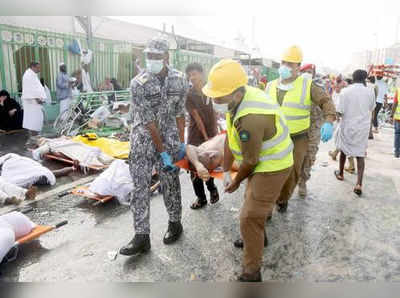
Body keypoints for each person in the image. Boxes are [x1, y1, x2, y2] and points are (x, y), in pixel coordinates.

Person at [203, 59, 294, 282]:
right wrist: (226, 170)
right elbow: (230, 139)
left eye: (218, 97)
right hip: (262, 161)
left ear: (235, 94)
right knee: (251, 202)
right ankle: (257, 237)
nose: (214, 101)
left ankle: (252, 273)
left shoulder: (250, 117)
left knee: (249, 216)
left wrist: (234, 181)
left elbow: (251, 160)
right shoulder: (237, 100)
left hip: (273, 165)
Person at [119, 35, 188, 256]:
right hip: (143, 139)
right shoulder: (138, 83)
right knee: (140, 185)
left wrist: (181, 145)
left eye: (156, 56)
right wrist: (162, 152)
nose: (151, 59)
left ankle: (175, 223)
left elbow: (180, 113)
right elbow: (148, 121)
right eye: (148, 55)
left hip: (169, 137)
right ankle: (141, 236)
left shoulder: (180, 79)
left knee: (170, 181)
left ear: (166, 56)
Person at [265, 46, 336, 212]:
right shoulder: (269, 86)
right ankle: (267, 205)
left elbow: (326, 102)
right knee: (269, 172)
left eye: (290, 64)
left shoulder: (307, 85)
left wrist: (329, 121)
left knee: (293, 172)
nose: (285, 66)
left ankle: (283, 199)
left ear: (298, 66)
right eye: (283, 62)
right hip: (273, 138)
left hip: (298, 138)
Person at [334, 70, 376, 196]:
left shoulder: (345, 91)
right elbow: (371, 109)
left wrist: (337, 120)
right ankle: (359, 184)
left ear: (353, 78)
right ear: (365, 78)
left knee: (343, 150)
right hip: (362, 127)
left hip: (347, 125)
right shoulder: (370, 92)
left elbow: (339, 111)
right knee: (360, 154)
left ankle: (341, 174)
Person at [185, 63, 219, 209]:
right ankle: (201, 197)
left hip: (210, 133)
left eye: (195, 74)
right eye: (190, 75)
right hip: (196, 136)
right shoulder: (189, 95)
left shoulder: (210, 90)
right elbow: (196, 118)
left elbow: (215, 112)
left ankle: (212, 190)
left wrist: (215, 133)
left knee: (209, 163)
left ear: (202, 74)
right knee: (194, 167)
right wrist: (206, 138)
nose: (192, 77)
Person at [297, 64, 324, 197]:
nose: (308, 74)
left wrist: (327, 122)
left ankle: (303, 182)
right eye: (305, 72)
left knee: (309, 156)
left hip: (313, 128)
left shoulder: (318, 89)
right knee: (293, 158)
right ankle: (288, 183)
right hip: (297, 128)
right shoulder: (294, 88)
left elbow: (326, 105)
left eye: (310, 72)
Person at [21, 61, 47, 146]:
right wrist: (36, 99)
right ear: (33, 67)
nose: (39, 69)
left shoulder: (32, 75)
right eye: (38, 67)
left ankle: (35, 137)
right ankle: (33, 139)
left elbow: (36, 88)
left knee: (36, 120)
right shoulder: (28, 75)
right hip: (32, 102)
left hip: (35, 102)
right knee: (33, 121)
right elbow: (29, 89)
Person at [391, 84, 400, 158]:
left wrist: (391, 115)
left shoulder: (398, 90)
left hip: (398, 117)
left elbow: (395, 103)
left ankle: (397, 152)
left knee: (397, 134)